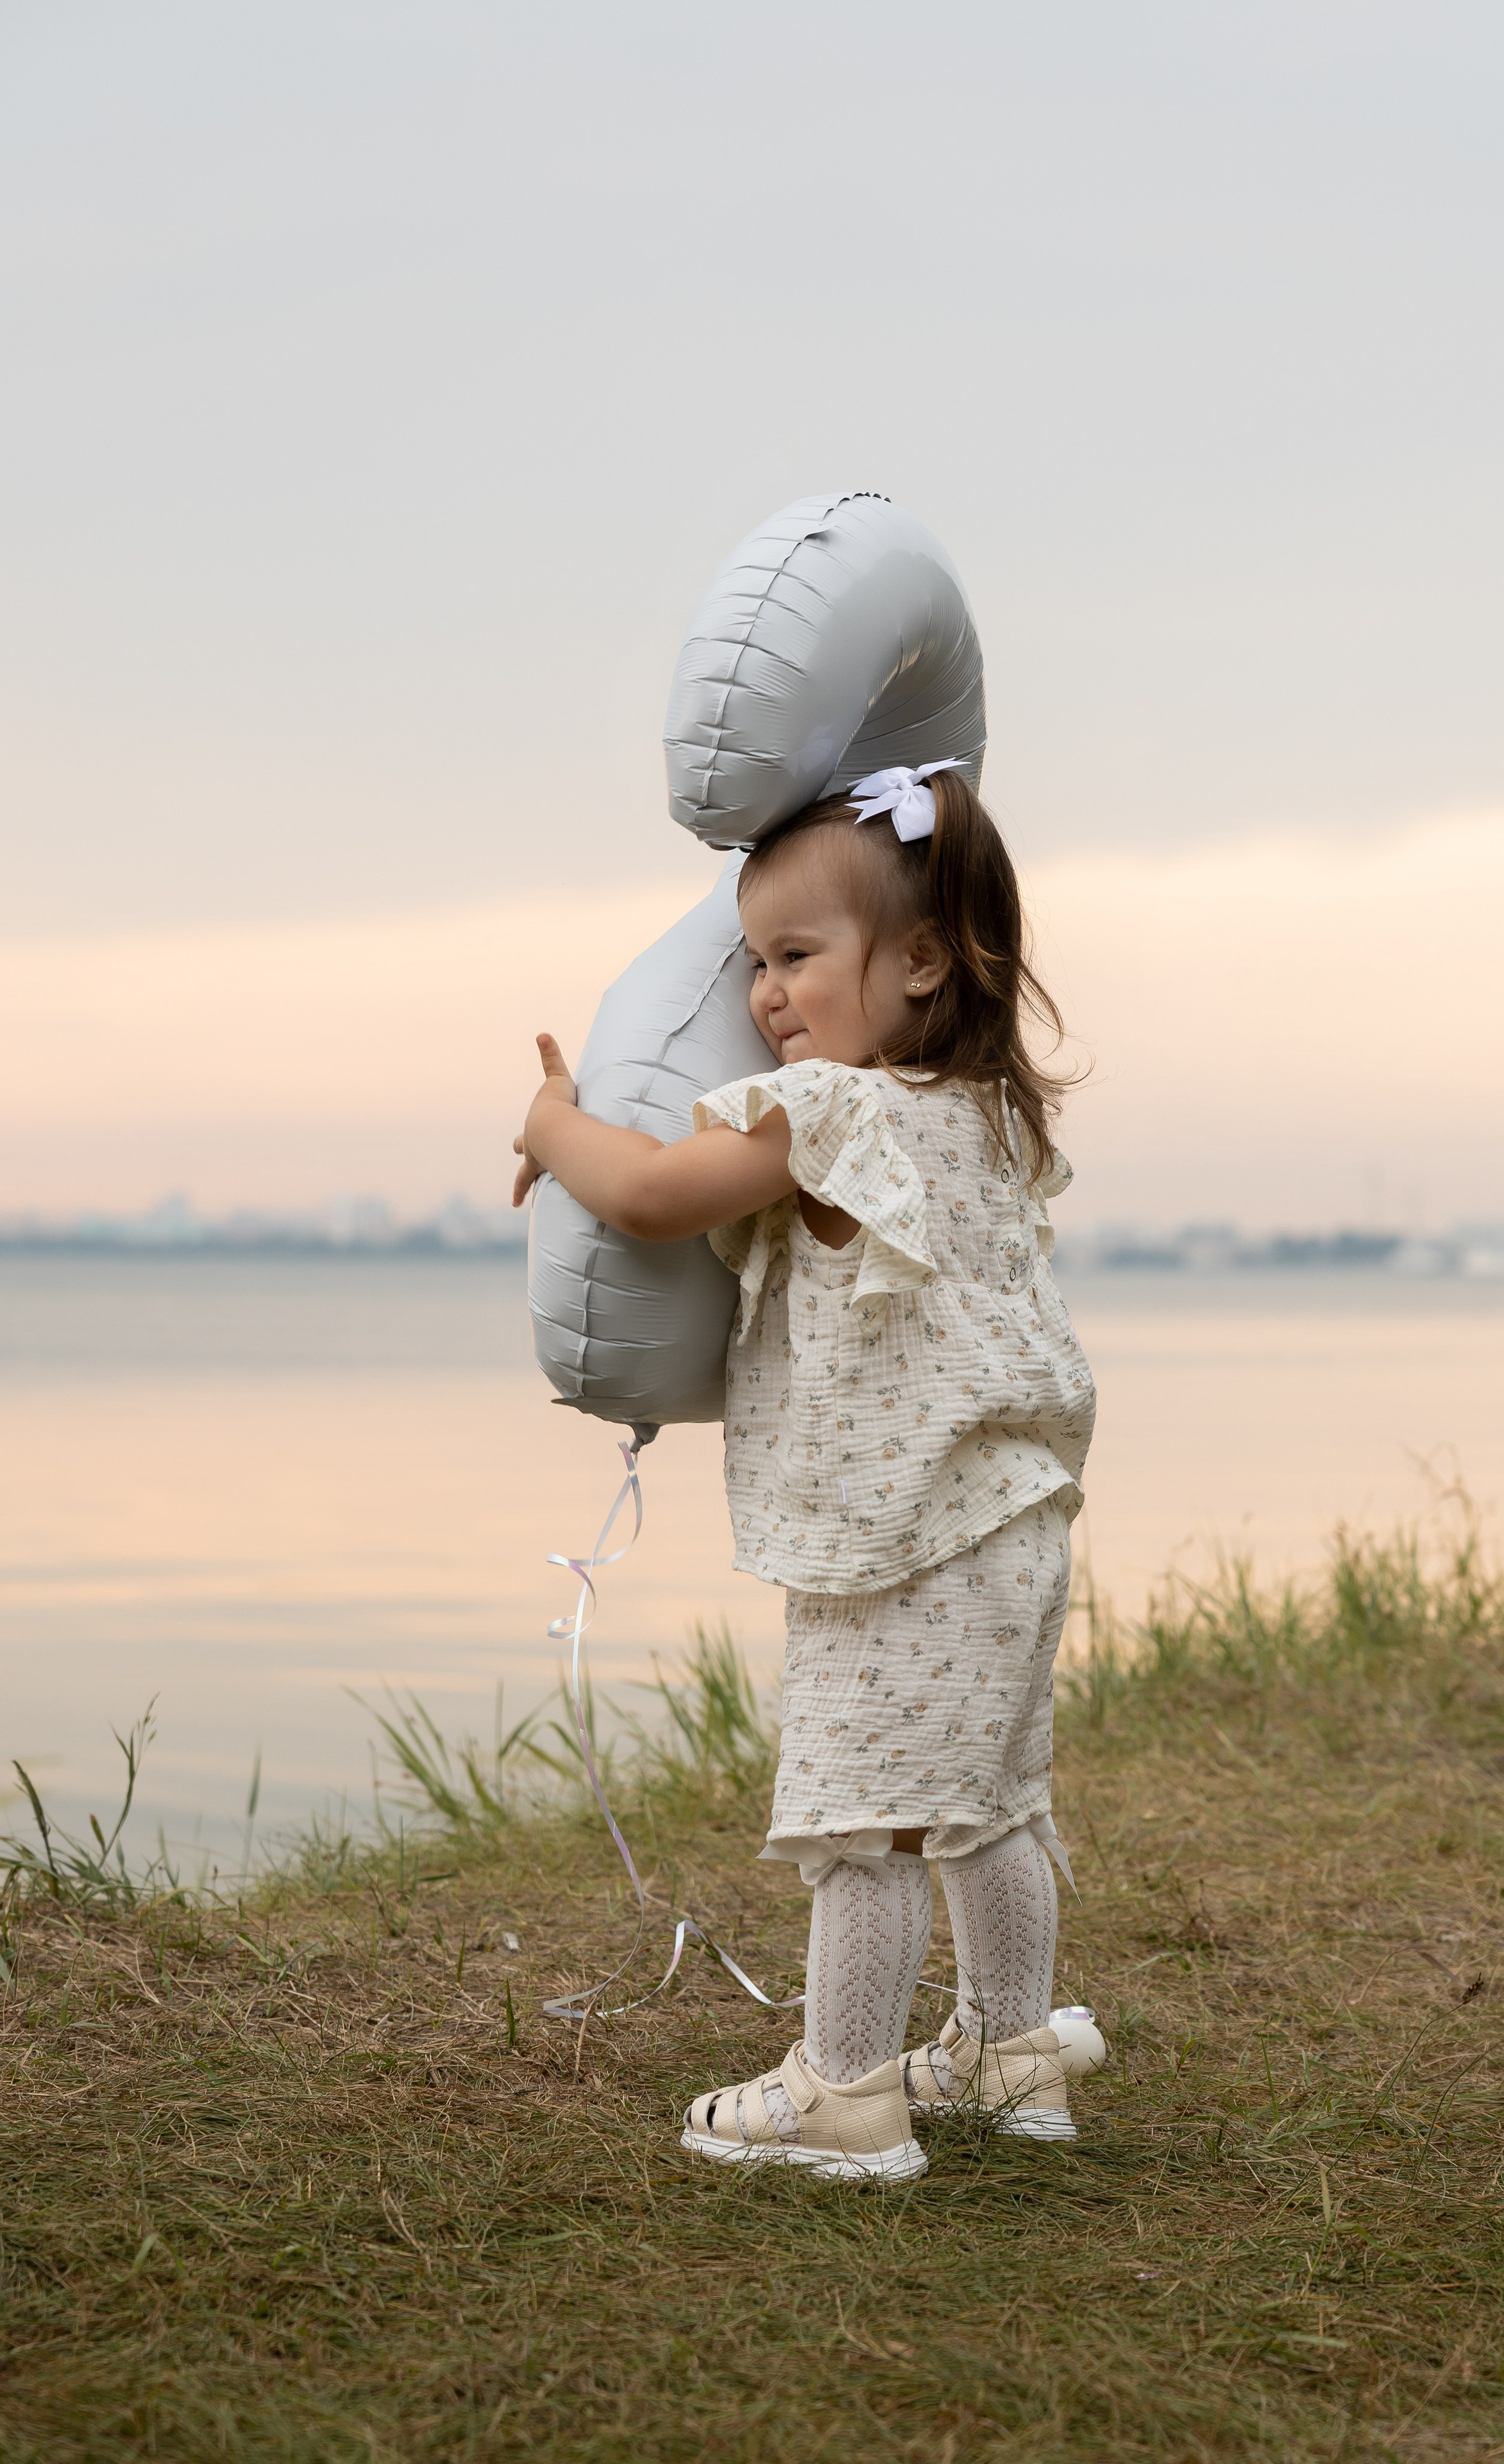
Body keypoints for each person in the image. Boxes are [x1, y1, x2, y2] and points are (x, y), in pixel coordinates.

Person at [513, 761, 1099, 2182]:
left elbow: (651, 1195)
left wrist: (550, 1123)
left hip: (897, 1541)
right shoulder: (987, 1114)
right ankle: (1008, 2051)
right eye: (756, 964)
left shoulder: (831, 1112)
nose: (767, 996)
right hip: (1014, 1520)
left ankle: (843, 2093)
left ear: (918, 961)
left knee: (864, 1815)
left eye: (794, 957)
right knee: (988, 1798)